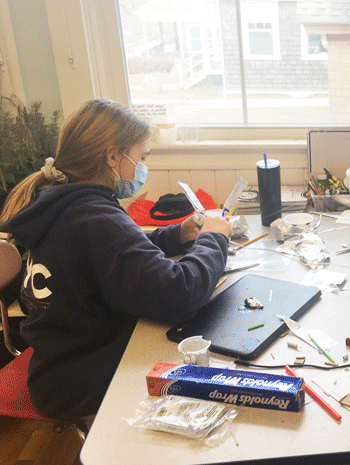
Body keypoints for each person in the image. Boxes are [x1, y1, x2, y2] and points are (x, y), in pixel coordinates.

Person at [0, 99, 231, 421]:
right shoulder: (95, 217)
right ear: (112, 156)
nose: (142, 168)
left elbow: (115, 254)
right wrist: (215, 236)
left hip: (60, 365)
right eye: (141, 157)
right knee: (212, 356)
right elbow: (179, 295)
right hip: (84, 379)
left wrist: (178, 235)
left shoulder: (60, 203)